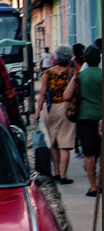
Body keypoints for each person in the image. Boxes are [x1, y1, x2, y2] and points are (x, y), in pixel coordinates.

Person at [33, 43, 76, 183]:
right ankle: (64, 175)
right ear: (69, 57)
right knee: (65, 144)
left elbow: (42, 93)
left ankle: (56, 172)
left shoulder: (47, 73)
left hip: (49, 109)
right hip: (65, 108)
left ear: (56, 57)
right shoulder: (72, 73)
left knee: (54, 142)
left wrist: (38, 111)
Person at [64, 45, 102, 196]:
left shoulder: (80, 76)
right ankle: (101, 184)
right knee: (101, 152)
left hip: (85, 118)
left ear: (85, 59)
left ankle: (93, 187)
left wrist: (74, 78)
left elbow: (66, 96)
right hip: (101, 117)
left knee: (88, 153)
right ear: (99, 59)